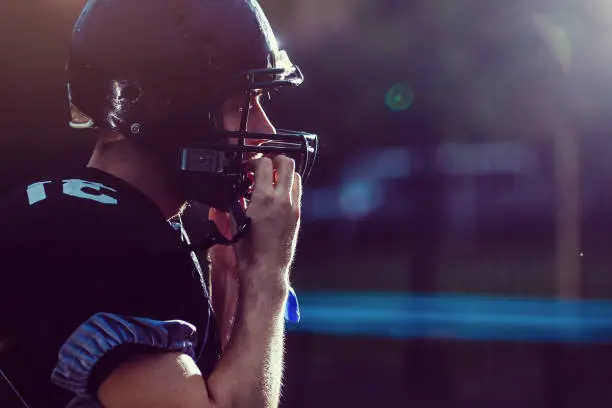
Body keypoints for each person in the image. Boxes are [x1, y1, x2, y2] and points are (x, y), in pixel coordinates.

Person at [0, 0, 318, 407]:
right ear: (169, 110)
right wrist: (267, 277)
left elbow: (201, 388)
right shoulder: (106, 240)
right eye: (241, 104)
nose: (262, 131)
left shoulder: (87, 210)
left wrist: (229, 279)